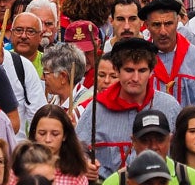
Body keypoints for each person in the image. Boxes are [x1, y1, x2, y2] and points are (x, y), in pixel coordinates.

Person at [75, 38, 182, 175]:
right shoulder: (97, 108)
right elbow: (77, 149)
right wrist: (85, 163)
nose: (135, 78)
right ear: (117, 70)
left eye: (142, 70)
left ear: (151, 72)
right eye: (129, 70)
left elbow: (181, 155)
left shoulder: (169, 107)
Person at [144, 0, 195, 133]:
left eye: (168, 24)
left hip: (189, 145)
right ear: (147, 25)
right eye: (156, 25)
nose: (163, 31)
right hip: (150, 142)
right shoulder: (140, 60)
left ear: (177, 22)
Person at [26, 105, 95, 185]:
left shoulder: (76, 176)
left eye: (55, 134)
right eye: (42, 133)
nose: (48, 139)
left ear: (64, 136)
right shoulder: (21, 169)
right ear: (34, 134)